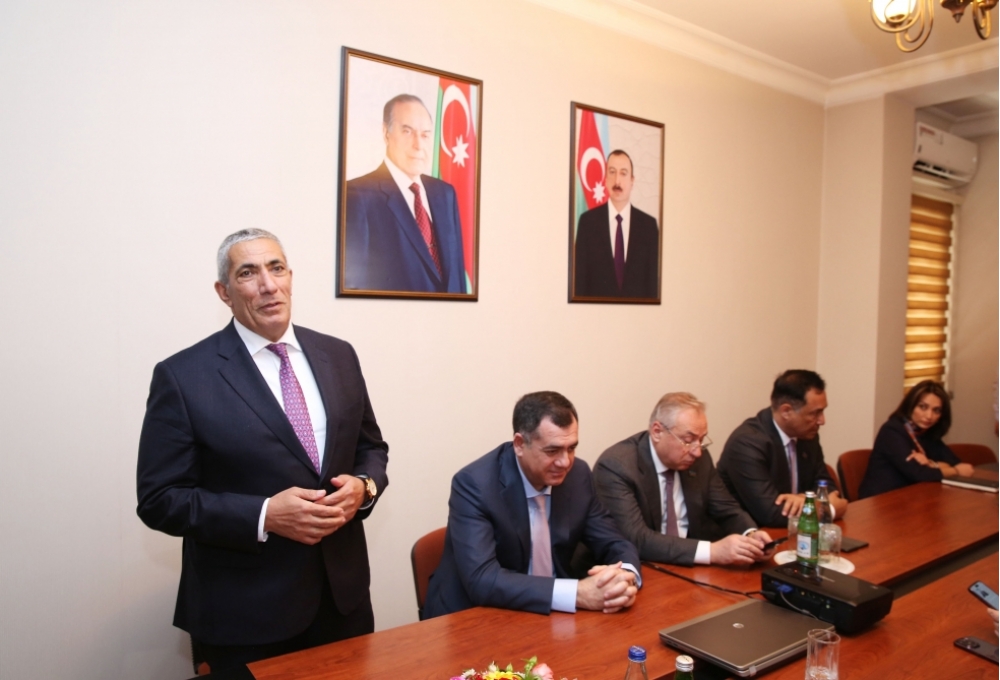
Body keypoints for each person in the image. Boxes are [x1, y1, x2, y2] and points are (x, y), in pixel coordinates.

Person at [136, 229, 389, 672]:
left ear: (290, 276)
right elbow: (160, 500)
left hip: (342, 604)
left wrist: (364, 487)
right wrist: (264, 515)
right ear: (225, 292)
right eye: (248, 273)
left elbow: (371, 447)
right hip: (245, 616)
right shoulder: (184, 376)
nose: (268, 285)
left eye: (276, 268)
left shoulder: (338, 355)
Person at [424, 391, 640, 618]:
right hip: (476, 615)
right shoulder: (475, 485)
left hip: (552, 613)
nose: (565, 462)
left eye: (571, 448)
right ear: (519, 444)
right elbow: (483, 580)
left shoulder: (578, 475)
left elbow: (614, 542)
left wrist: (624, 577)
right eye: (552, 451)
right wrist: (577, 593)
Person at [593, 393, 775, 566]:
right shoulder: (617, 466)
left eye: (701, 440)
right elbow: (636, 539)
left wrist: (751, 535)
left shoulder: (699, 459)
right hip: (644, 568)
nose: (697, 451)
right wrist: (712, 551)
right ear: (657, 432)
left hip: (692, 565)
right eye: (688, 440)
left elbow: (726, 509)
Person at [344, 94, 466, 294]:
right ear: (386, 133)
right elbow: (357, 287)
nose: (418, 145)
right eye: (407, 132)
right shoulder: (358, 196)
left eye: (425, 135)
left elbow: (457, 279)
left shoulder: (445, 194)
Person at [717, 370, 848, 528]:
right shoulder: (747, 443)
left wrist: (804, 500)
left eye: (822, 411)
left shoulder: (807, 435)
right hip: (752, 535)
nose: (822, 420)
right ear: (786, 411)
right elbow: (771, 513)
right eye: (815, 413)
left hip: (794, 532)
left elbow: (828, 487)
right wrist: (828, 510)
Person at [858, 380, 974, 499]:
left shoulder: (926, 432)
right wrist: (955, 471)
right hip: (879, 502)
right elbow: (919, 474)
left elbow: (956, 462)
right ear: (911, 405)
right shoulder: (892, 431)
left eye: (936, 410)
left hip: (911, 499)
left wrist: (931, 463)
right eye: (923, 407)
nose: (929, 416)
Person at [573, 150, 659, 299]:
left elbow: (653, 288)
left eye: (623, 173)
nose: (617, 181)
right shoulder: (587, 223)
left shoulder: (649, 227)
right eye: (612, 172)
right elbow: (579, 286)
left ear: (632, 181)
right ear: (605, 179)